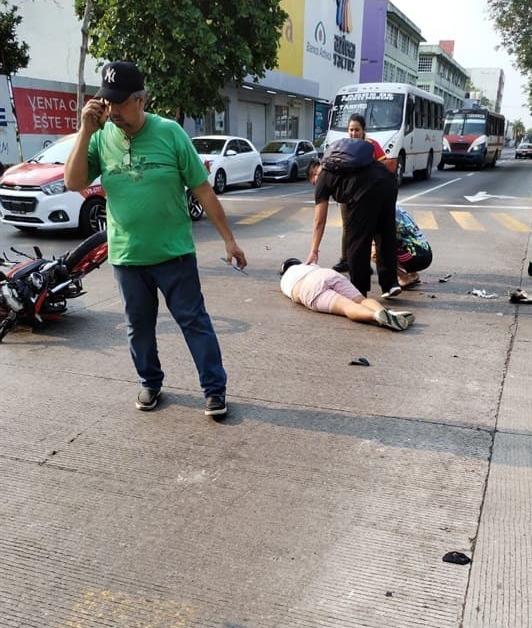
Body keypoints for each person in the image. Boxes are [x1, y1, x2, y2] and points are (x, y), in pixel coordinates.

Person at [65, 61, 247, 419]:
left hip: (173, 254)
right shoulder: (101, 138)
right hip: (127, 257)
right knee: (138, 328)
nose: (112, 110)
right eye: (106, 102)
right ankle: (149, 382)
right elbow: (73, 182)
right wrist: (85, 131)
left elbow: (203, 190)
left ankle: (214, 389)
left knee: (195, 323)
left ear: (141, 100)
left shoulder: (170, 133)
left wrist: (229, 240)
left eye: (119, 102)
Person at [306, 151, 401, 300]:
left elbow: (319, 221)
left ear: (315, 174)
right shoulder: (343, 165)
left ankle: (359, 290)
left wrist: (314, 250)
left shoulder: (323, 176)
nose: (315, 185)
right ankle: (390, 283)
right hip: (388, 181)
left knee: (356, 242)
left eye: (313, 182)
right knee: (385, 233)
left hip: (364, 192)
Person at [279, 258, 414, 330]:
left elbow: (295, 298)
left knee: (346, 306)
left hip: (307, 288)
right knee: (361, 299)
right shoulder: (307, 265)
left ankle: (375, 316)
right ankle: (385, 313)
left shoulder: (284, 281)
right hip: (326, 274)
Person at [333, 113, 387, 274]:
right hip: (346, 194)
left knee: (365, 230)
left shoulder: (372, 146)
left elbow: (383, 167)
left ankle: (363, 263)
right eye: (351, 130)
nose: (353, 133)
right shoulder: (343, 145)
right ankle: (345, 260)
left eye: (357, 130)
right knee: (347, 228)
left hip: (367, 195)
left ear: (363, 131)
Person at [374, 205, 433, 289]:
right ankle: (413, 274)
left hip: (413, 258)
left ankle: (404, 278)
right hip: (426, 254)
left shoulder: (379, 212)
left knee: (375, 253)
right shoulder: (396, 208)